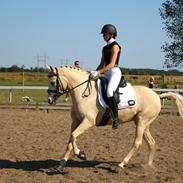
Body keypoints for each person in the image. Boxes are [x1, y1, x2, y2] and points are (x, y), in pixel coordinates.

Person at [90, 24, 122, 129]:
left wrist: (99, 72)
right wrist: (94, 72)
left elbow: (112, 64)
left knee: (109, 92)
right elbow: (101, 64)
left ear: (111, 34)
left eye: (105, 34)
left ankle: (115, 119)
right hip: (106, 72)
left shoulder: (115, 46)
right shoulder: (104, 48)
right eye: (103, 34)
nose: (103, 36)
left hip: (114, 72)